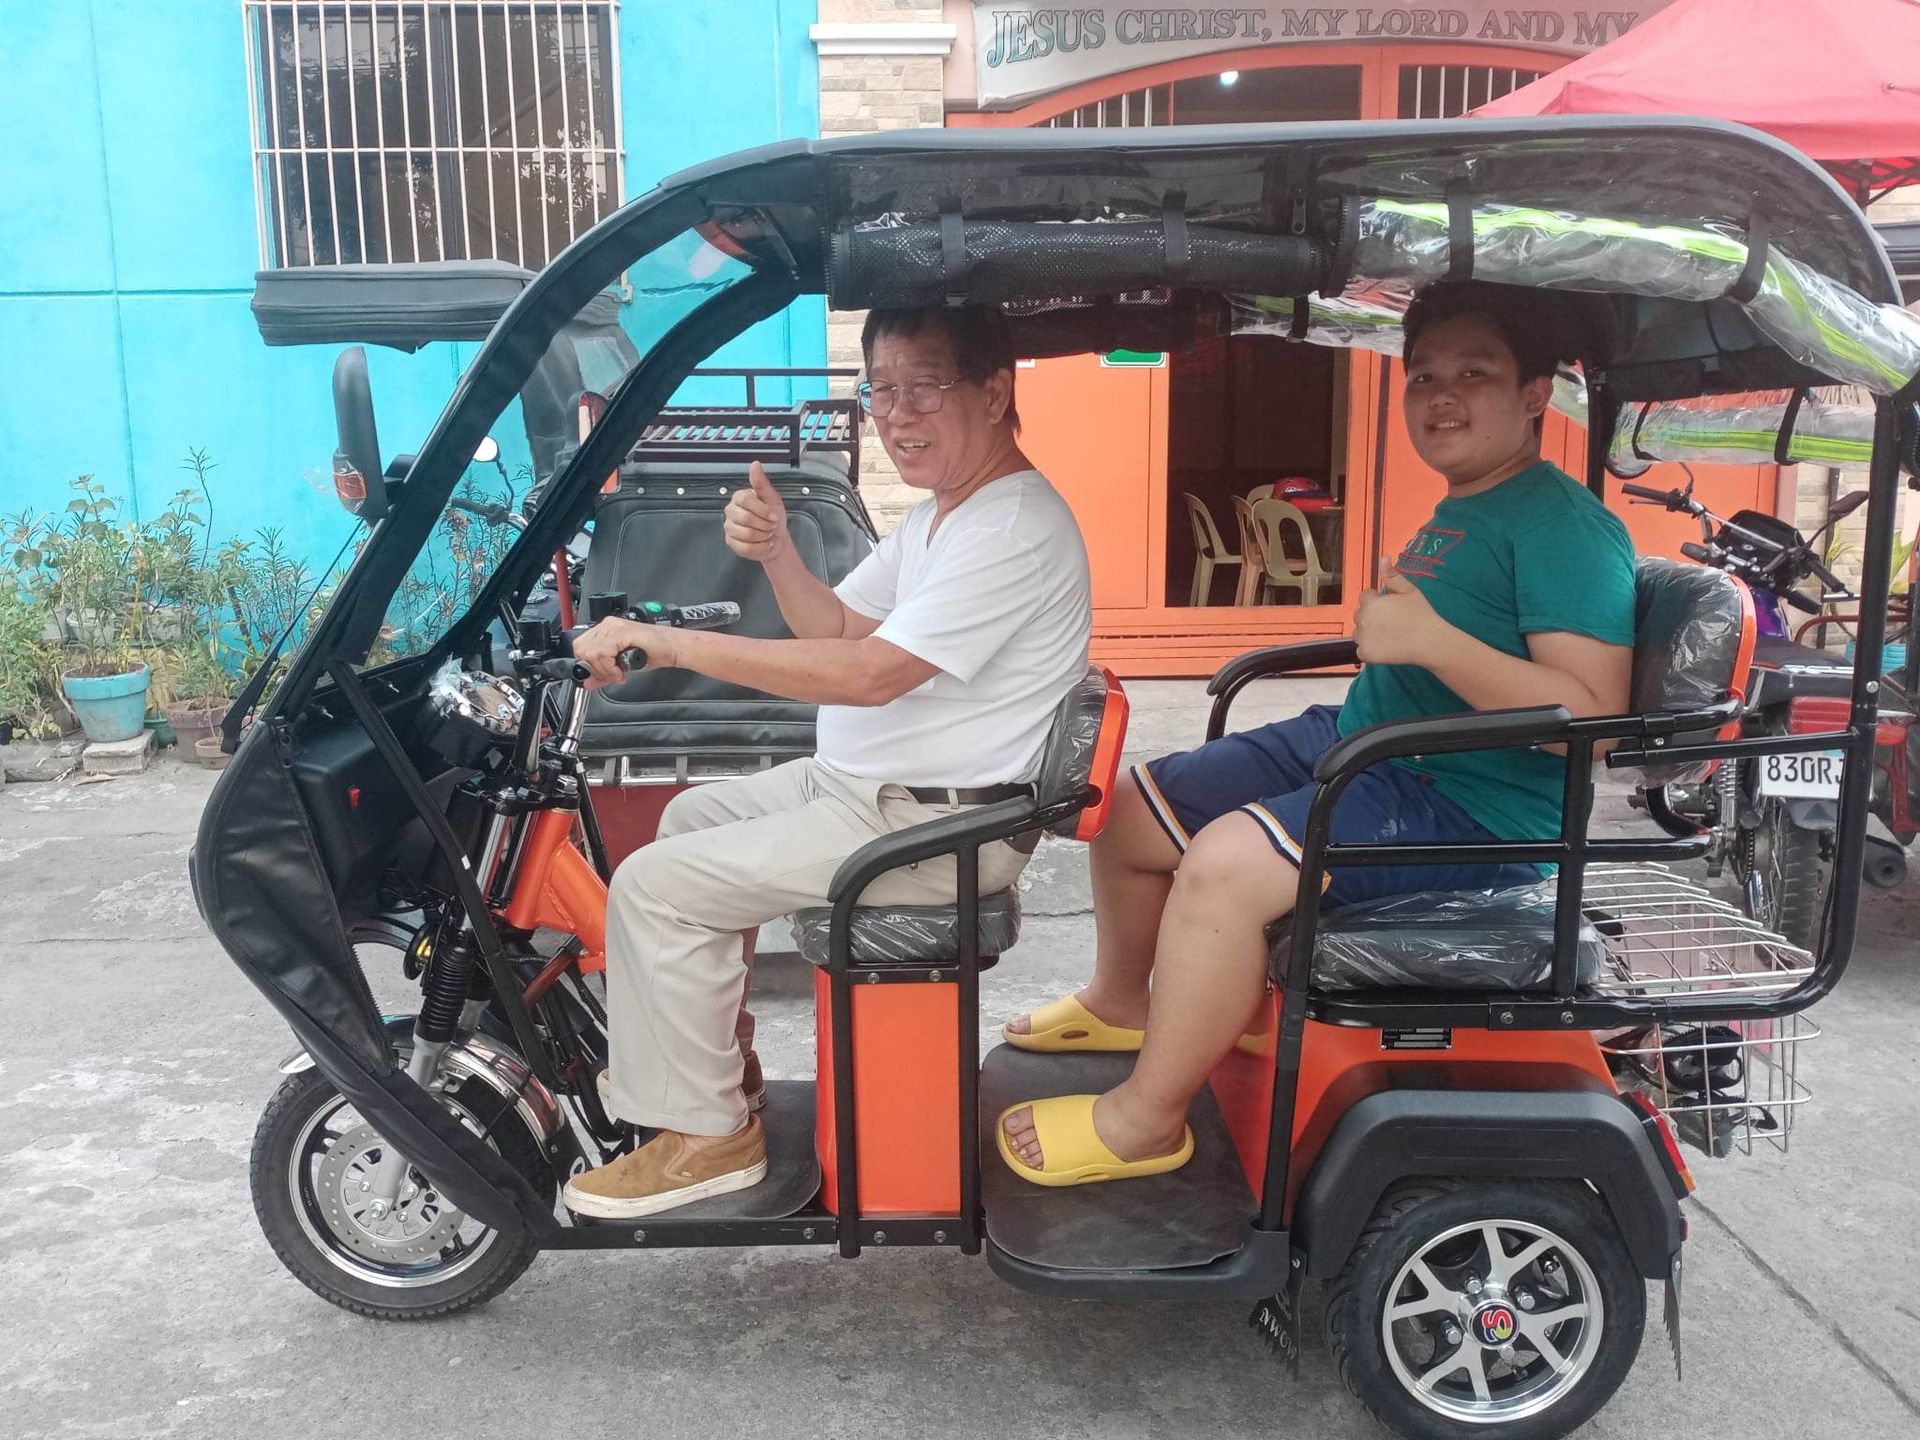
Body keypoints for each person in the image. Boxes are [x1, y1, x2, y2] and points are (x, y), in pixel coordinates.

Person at [997, 280, 1637, 1186]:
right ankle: (1123, 1002)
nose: (1440, 395)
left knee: (1223, 868)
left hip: (1473, 805)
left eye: (1475, 374)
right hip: (1368, 744)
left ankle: (1147, 1121)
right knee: (1132, 809)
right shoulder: (1471, 502)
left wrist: (1433, 643)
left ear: (1536, 394)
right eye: (1423, 376)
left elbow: (1599, 724)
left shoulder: (1565, 527)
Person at [562, 303, 1093, 1219]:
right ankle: (721, 1082)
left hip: (934, 824)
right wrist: (774, 554)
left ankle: (708, 1138)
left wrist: (672, 646)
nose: (896, 413)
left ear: (997, 394)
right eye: (879, 388)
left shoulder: (1009, 529)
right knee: (687, 819)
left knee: (654, 886)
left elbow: (871, 673)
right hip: (873, 791)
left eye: (924, 386)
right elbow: (839, 625)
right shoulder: (945, 516)